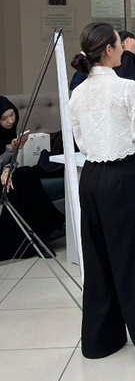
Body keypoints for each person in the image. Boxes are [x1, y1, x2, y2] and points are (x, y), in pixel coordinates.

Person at [69, 23, 135, 367]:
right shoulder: (127, 87)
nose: (124, 48)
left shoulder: (78, 92)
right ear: (109, 50)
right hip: (123, 176)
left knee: (98, 259)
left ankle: (100, 340)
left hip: (91, 178)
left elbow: (81, 140)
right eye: (119, 43)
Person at [0, 97, 64, 261]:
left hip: (5, 178)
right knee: (24, 181)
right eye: (4, 118)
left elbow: (10, 163)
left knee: (27, 174)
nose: (10, 121)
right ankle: (51, 224)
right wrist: (10, 151)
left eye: (12, 115)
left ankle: (36, 238)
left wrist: (8, 169)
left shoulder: (8, 131)